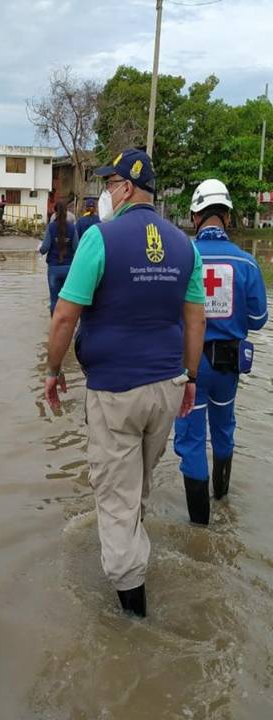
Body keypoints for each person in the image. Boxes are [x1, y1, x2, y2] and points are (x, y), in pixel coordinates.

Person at [44, 148, 206, 618]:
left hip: (116, 391)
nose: (106, 192)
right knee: (138, 486)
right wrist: (190, 378)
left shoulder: (100, 238)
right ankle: (133, 555)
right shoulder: (185, 246)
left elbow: (64, 316)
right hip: (167, 385)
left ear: (127, 188)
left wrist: (52, 371)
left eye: (110, 184)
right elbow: (195, 321)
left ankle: (134, 619)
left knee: (115, 498)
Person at [173, 179, 268, 524]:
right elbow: (258, 319)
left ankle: (199, 528)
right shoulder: (247, 263)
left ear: (194, 216)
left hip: (190, 366)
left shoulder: (183, 257)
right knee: (224, 429)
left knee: (191, 438)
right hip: (228, 366)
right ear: (227, 217)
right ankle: (222, 498)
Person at [38, 199, 79, 315]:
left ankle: (54, 324)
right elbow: (77, 248)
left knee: (54, 300)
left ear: (55, 212)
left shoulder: (51, 227)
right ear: (67, 212)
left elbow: (45, 248)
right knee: (67, 300)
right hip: (68, 269)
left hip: (53, 269)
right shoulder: (72, 228)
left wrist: (39, 248)